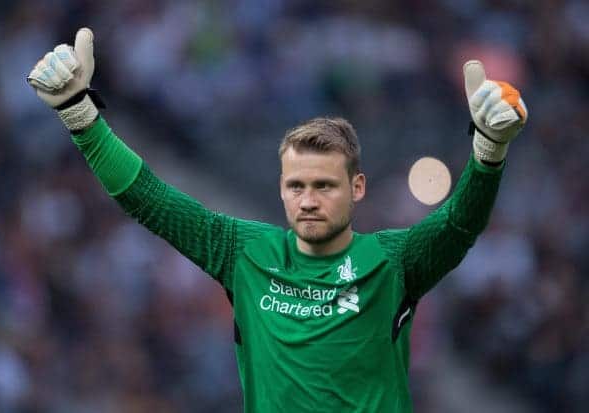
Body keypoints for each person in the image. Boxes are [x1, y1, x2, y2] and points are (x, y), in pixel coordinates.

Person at [27, 28, 527, 413]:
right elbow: (150, 200)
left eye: (325, 186)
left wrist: (488, 153)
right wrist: (79, 113)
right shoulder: (244, 251)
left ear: (357, 189)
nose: (308, 200)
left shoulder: (395, 261)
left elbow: (461, 224)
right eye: (296, 186)